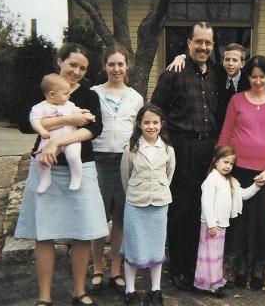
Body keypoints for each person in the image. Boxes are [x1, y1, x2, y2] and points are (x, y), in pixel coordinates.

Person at [15, 43, 109, 306]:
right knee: (44, 233)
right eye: (72, 65)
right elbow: (26, 123)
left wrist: (56, 142)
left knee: (82, 231)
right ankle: (44, 296)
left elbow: (94, 129)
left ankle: (78, 291)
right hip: (45, 167)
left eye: (82, 68)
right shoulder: (47, 89)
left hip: (81, 167)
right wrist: (66, 121)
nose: (77, 71)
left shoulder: (89, 95)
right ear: (60, 61)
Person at [151, 21, 219, 291]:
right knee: (182, 210)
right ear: (189, 43)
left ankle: (198, 265)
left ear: (212, 46)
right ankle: (179, 269)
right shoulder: (173, 73)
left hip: (209, 149)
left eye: (208, 43)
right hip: (182, 148)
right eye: (198, 42)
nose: (203, 47)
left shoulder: (215, 74)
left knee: (204, 208)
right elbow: (156, 111)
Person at [218, 55, 265, 290]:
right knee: (239, 220)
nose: (258, 81)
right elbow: (225, 134)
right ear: (247, 77)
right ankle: (238, 268)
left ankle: (257, 269)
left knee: (260, 222)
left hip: (263, 173)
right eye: (253, 76)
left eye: (263, 76)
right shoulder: (237, 100)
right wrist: (219, 168)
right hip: (238, 170)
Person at [88, 44, 143, 296]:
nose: (116, 69)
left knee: (120, 218)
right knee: (98, 218)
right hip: (97, 159)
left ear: (127, 66)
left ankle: (115, 270)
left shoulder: (135, 97)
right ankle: (98, 269)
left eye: (121, 64)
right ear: (104, 66)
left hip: (124, 162)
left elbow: (138, 131)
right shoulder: (93, 93)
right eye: (112, 64)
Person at [120, 104, 175, 306]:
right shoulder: (131, 148)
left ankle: (156, 289)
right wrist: (137, 193)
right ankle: (130, 290)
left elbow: (169, 174)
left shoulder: (168, 149)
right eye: (146, 122)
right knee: (133, 245)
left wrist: (156, 191)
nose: (151, 126)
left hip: (159, 204)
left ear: (161, 124)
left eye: (155, 122)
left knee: (156, 246)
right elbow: (125, 176)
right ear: (139, 124)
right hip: (135, 202)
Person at [166, 43, 265, 132]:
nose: (230, 63)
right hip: (220, 131)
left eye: (235, 60)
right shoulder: (217, 71)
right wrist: (181, 57)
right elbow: (199, 61)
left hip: (245, 130)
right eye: (227, 60)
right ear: (223, 61)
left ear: (242, 63)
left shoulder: (249, 77)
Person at [194, 145, 261, 298]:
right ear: (215, 161)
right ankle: (206, 284)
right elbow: (207, 203)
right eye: (225, 162)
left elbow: (243, 195)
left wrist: (256, 185)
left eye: (231, 164)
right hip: (212, 225)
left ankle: (216, 281)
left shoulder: (231, 180)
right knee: (209, 256)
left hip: (221, 225)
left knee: (217, 256)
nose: (228, 166)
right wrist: (211, 224)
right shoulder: (212, 179)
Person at [30, 73, 82, 194]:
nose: (69, 96)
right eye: (65, 93)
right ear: (52, 94)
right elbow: (34, 120)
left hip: (70, 139)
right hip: (49, 140)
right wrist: (41, 130)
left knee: (73, 156)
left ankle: (76, 177)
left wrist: (85, 114)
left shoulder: (70, 105)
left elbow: (78, 113)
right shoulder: (40, 107)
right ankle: (45, 179)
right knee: (40, 158)